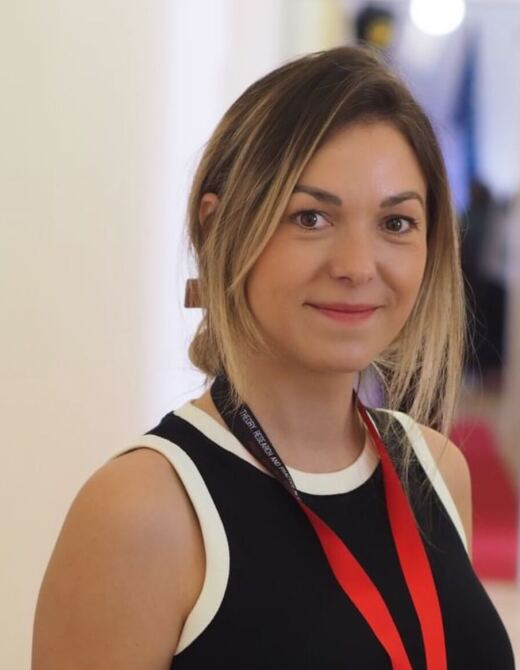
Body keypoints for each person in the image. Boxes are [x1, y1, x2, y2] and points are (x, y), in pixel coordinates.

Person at [32, 46, 515, 669]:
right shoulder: (144, 512)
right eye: (310, 217)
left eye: (396, 223)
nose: (357, 267)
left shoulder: (438, 471)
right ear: (218, 230)